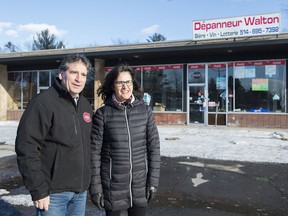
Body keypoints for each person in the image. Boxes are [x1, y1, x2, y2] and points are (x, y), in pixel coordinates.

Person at [15, 54, 93, 216]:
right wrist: (38, 190)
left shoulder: (85, 105)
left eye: (84, 74)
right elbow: (27, 147)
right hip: (53, 194)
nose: (79, 79)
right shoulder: (43, 103)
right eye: (74, 73)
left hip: (80, 192)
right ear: (61, 74)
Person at [90, 63, 160, 216]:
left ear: (132, 84)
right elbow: (94, 153)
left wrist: (153, 182)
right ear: (113, 86)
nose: (125, 86)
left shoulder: (145, 111)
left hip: (139, 185)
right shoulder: (102, 114)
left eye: (128, 82)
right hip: (112, 186)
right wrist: (96, 188)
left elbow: (154, 148)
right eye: (120, 82)